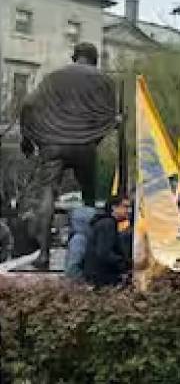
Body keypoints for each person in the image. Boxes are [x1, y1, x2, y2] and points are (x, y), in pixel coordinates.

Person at [19, 42, 117, 269]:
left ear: (74, 57)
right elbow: (111, 118)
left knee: (47, 195)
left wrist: (27, 138)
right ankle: (90, 249)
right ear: (94, 59)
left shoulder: (52, 78)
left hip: (52, 144)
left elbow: (27, 104)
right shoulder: (103, 80)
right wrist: (93, 139)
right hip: (85, 145)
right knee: (89, 196)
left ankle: (43, 255)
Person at [83, 196, 132, 287]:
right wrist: (125, 264)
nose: (128, 210)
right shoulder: (108, 224)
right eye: (125, 206)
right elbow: (104, 253)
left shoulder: (104, 223)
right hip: (102, 279)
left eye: (129, 207)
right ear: (114, 207)